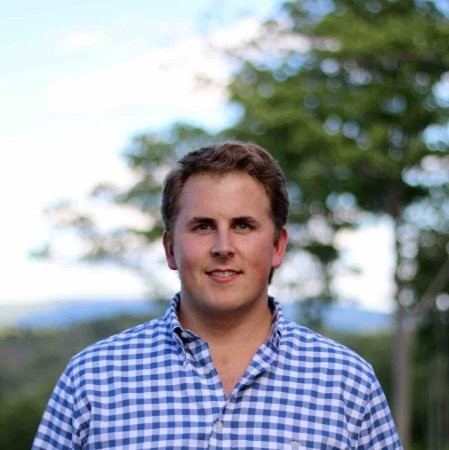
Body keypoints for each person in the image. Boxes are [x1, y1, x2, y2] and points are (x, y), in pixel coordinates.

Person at [33, 141, 403, 449]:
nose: (223, 247)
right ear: (170, 249)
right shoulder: (91, 380)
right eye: (203, 226)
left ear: (277, 246)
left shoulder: (347, 383)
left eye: (243, 225)